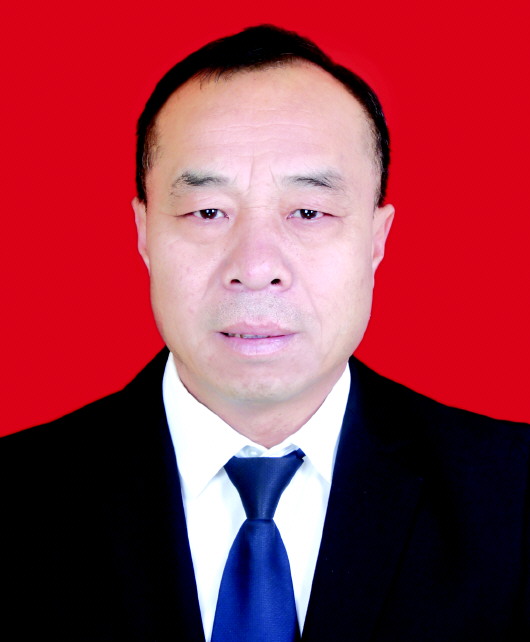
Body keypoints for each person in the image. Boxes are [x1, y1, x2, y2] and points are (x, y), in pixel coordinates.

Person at [2, 24, 529, 642]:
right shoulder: (18, 501)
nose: (255, 268)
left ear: (376, 238)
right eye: (207, 212)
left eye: (308, 212)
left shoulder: (511, 495)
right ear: (144, 233)